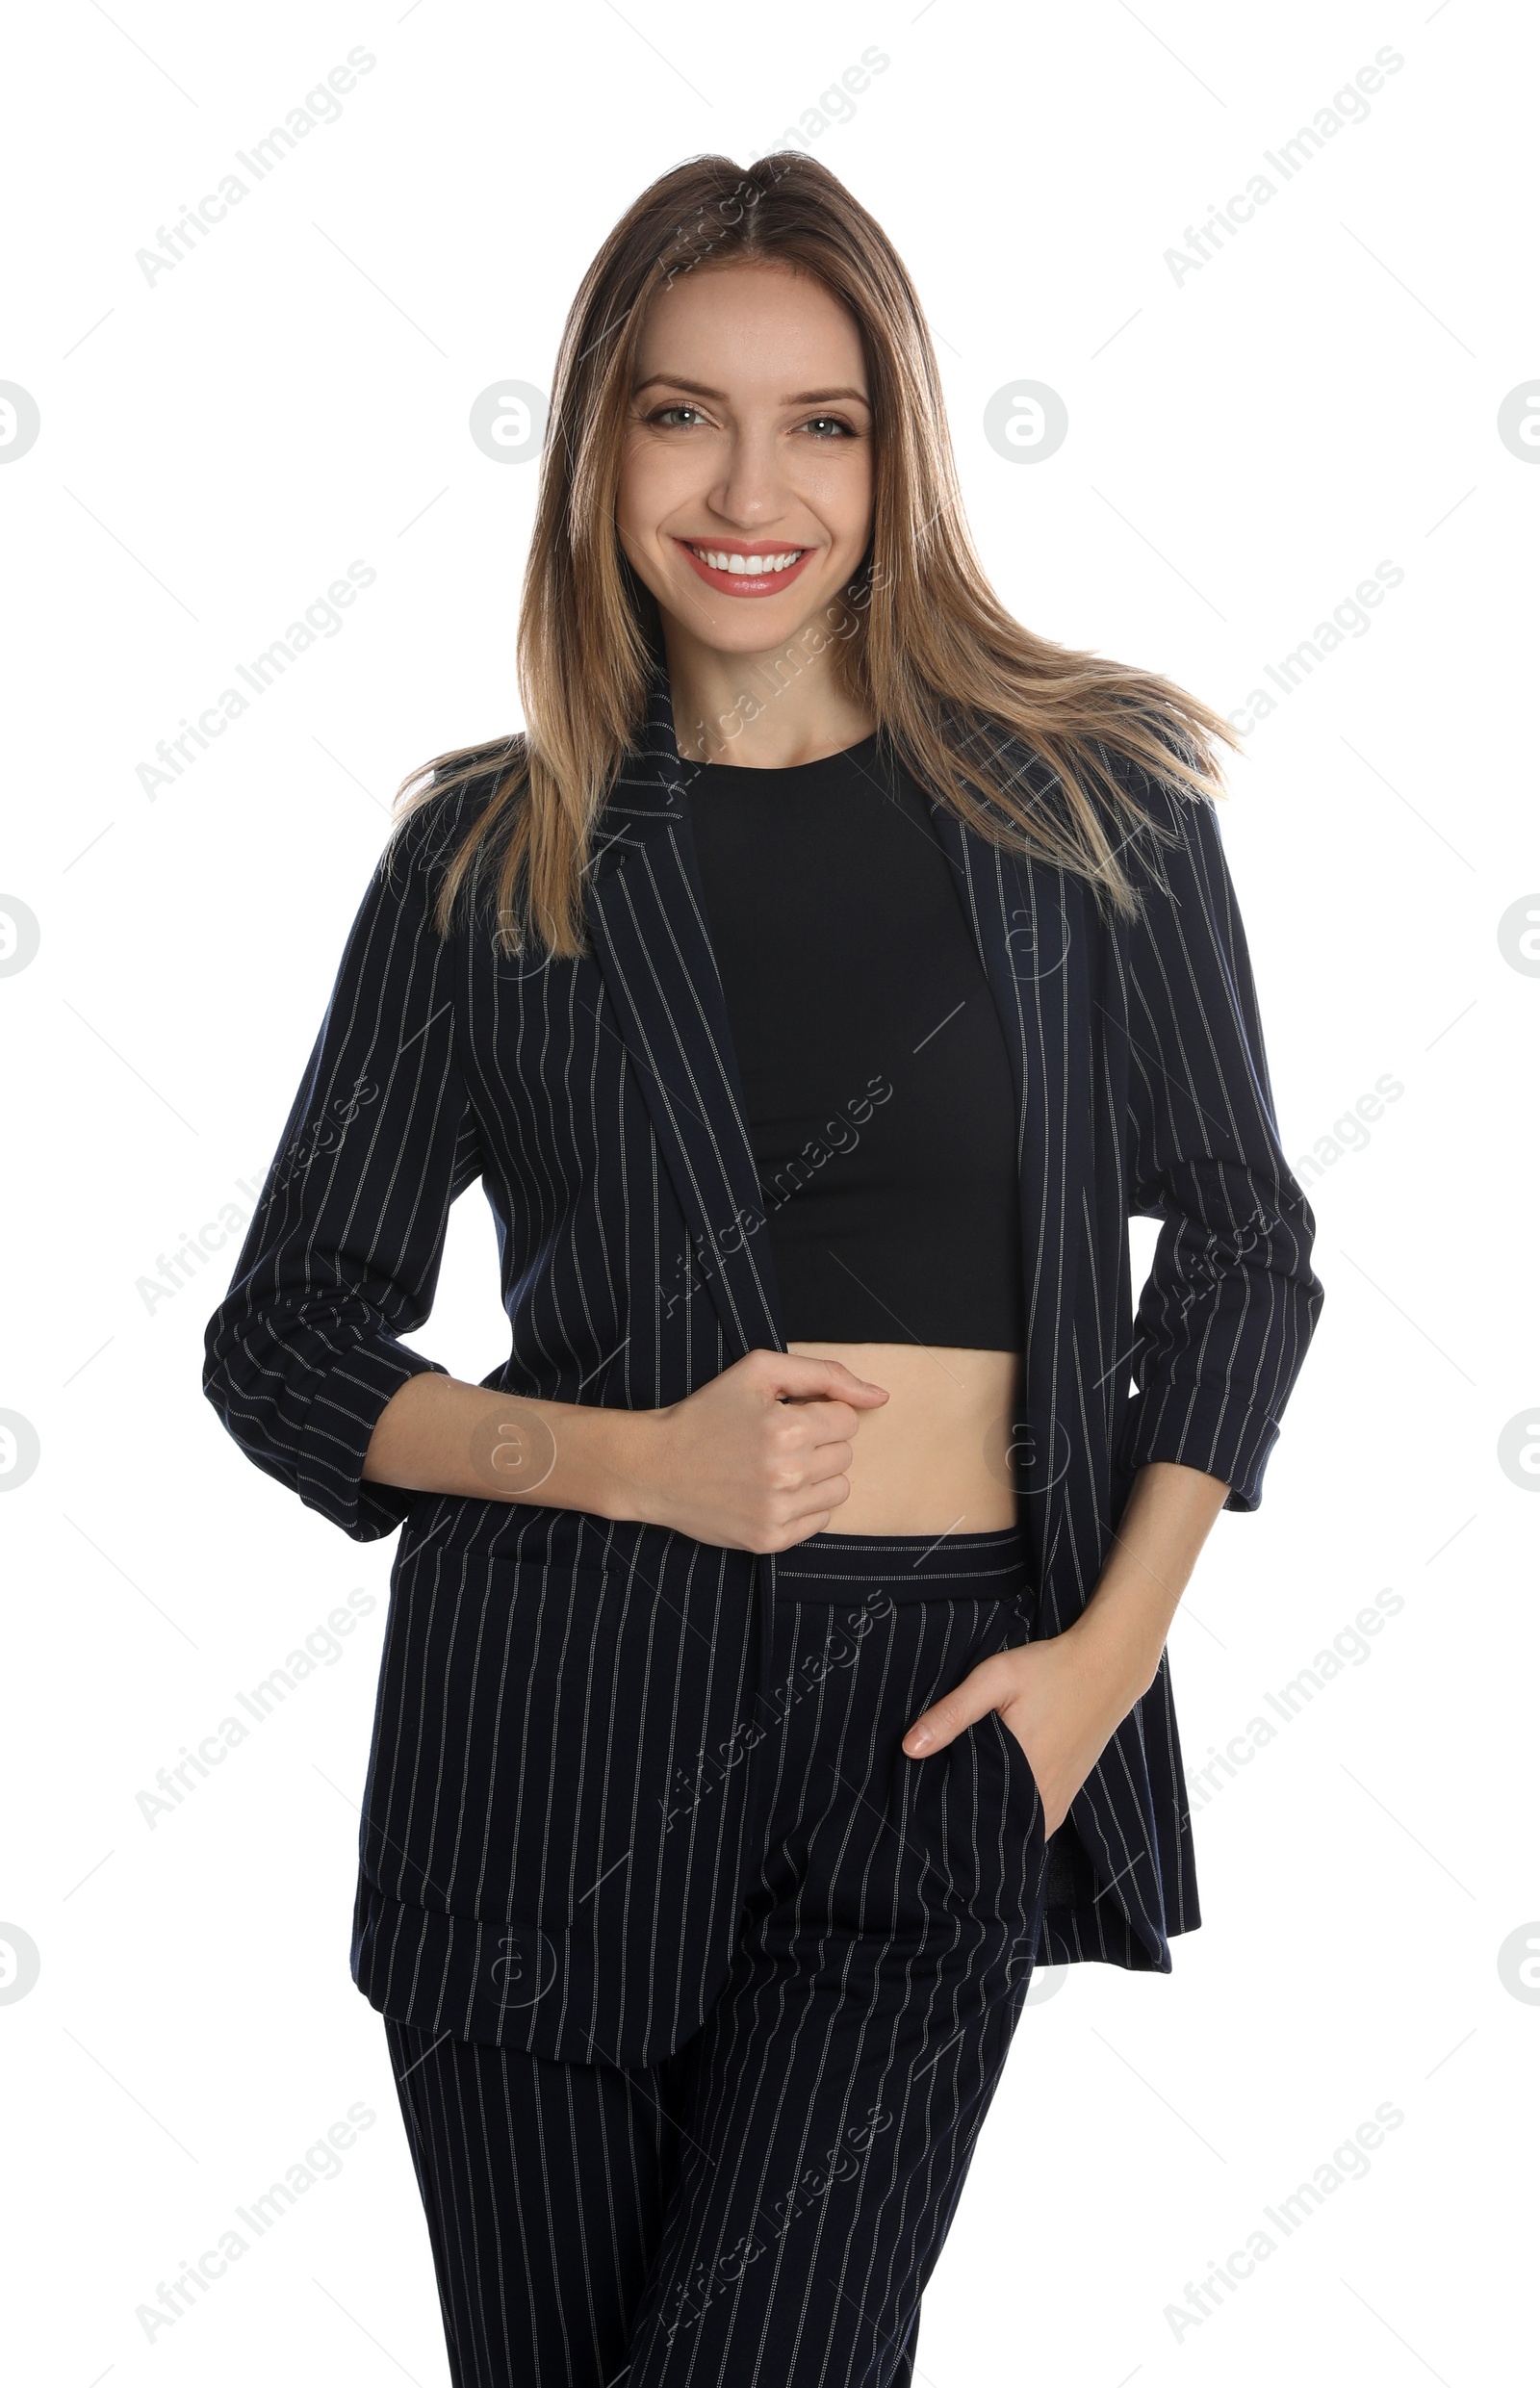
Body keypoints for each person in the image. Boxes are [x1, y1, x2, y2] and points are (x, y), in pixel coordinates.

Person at [203, 148, 1322, 2388]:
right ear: (596, 443)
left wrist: (1101, 1656)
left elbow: (1238, 1245)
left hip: (942, 1710)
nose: (749, 483)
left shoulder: (1088, 810)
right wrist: (635, 1462)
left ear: (897, 449)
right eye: (677, 411)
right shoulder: (476, 854)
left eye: (821, 419)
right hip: (541, 1741)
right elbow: (287, 1340)